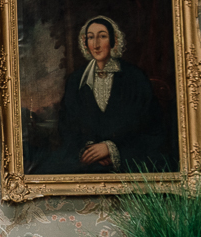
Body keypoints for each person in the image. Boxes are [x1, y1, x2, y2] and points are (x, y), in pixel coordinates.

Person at [34, 15, 174, 175]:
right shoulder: (76, 80)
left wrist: (111, 149)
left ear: (113, 40)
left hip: (129, 156)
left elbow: (150, 125)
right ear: (85, 43)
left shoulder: (135, 77)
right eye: (91, 37)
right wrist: (87, 150)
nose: (97, 44)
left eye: (102, 36)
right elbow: (67, 126)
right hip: (86, 159)